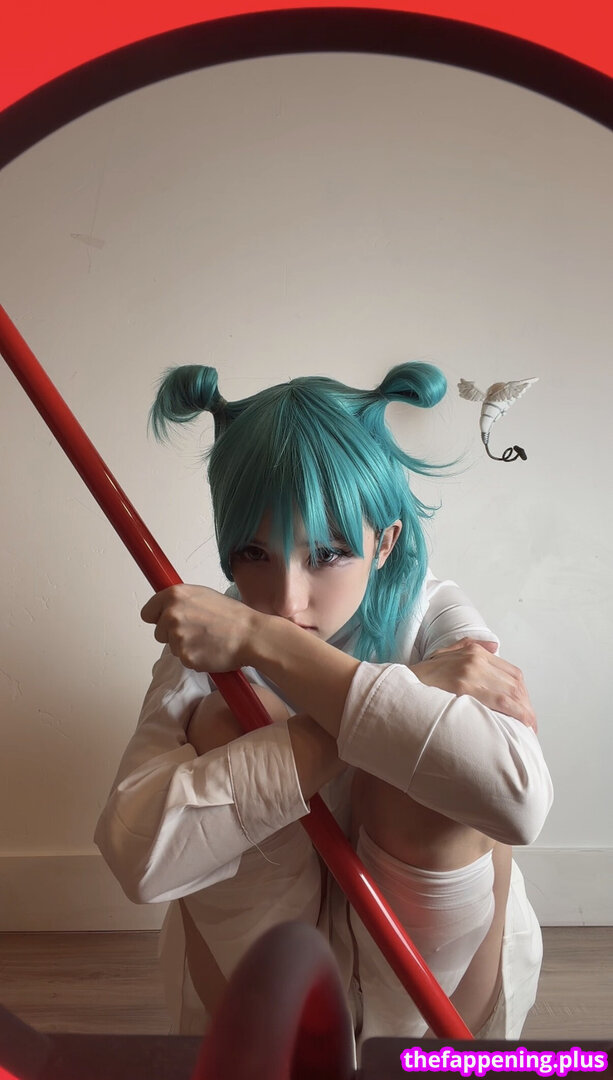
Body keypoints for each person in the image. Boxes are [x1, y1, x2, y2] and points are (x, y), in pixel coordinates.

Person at [94, 362, 553, 1047]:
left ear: (384, 541)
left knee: (443, 759)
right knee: (230, 722)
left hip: (434, 999)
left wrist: (267, 642)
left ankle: (397, 1050)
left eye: (329, 553)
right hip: (265, 992)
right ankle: (294, 1036)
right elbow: (138, 858)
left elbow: (517, 800)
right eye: (253, 553)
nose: (286, 600)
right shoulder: (210, 634)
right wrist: (407, 691)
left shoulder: (432, 611)